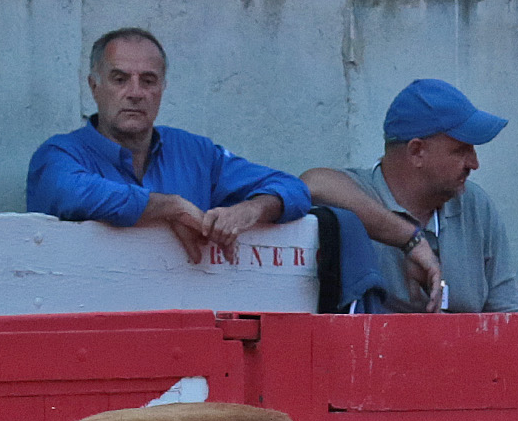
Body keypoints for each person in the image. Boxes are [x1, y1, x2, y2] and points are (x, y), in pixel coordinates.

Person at [26, 28, 311, 265]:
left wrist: (251, 210)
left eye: (148, 81)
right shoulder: (59, 155)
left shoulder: (195, 153)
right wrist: (170, 207)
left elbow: (293, 188)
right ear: (94, 87)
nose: (135, 93)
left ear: (163, 88)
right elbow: (74, 194)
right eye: (120, 79)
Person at [301, 79, 518, 313]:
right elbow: (311, 183)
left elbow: (509, 318)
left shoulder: (476, 206)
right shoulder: (359, 195)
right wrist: (410, 239)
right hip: (376, 348)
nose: (474, 164)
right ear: (416, 151)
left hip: (466, 348)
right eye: (461, 150)